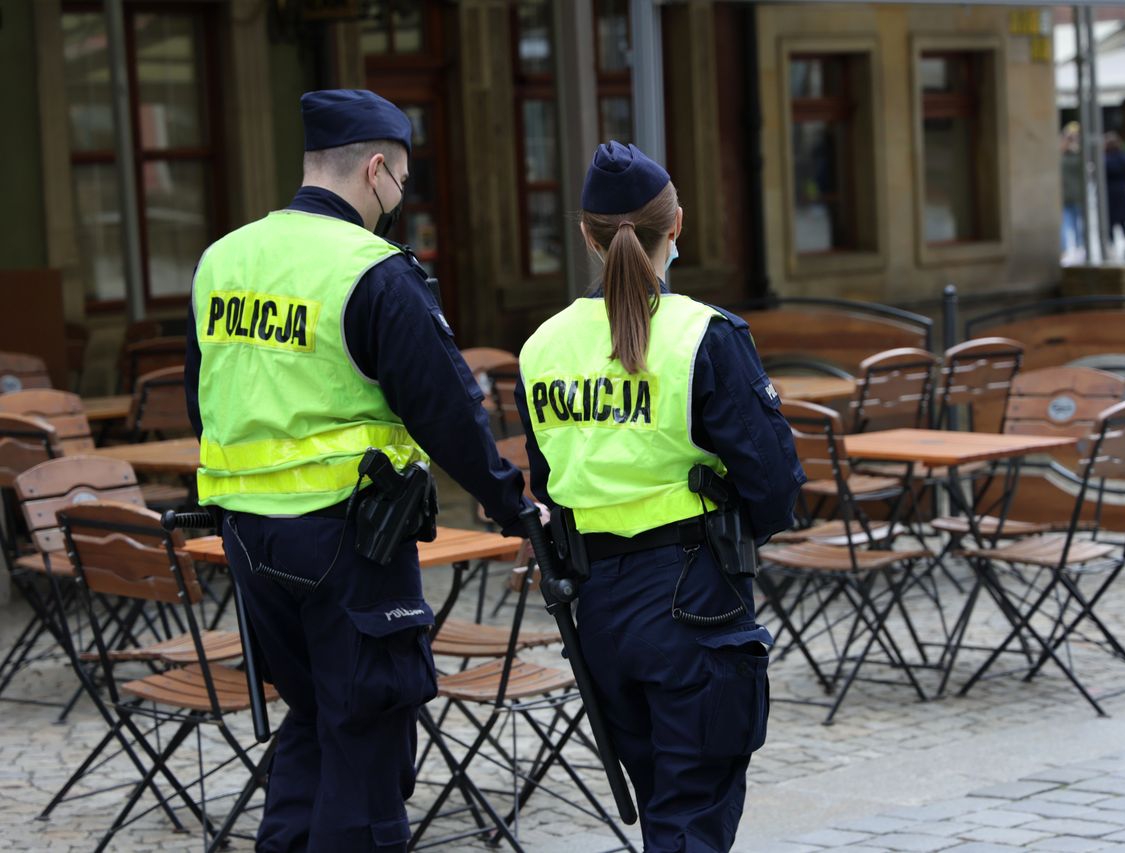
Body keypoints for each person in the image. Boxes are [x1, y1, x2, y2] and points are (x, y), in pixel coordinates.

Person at [184, 89, 530, 852]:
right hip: (352, 543)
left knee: (311, 722)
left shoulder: (223, 258)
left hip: (250, 542)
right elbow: (448, 414)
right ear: (376, 169)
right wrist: (517, 508)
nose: (397, 201)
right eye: (401, 184)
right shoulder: (371, 269)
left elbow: (199, 397)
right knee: (369, 736)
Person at [514, 142, 804, 852]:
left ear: (585, 235)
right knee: (691, 813)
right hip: (694, 597)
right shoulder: (704, 333)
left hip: (601, 607)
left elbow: (548, 482)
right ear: (676, 227)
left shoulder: (542, 346)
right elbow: (774, 485)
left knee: (665, 806)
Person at [1104, 133, 1125, 260]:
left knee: (1110, 221)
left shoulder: (1104, 159)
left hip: (1108, 193)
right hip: (1123, 191)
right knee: (1123, 220)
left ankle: (1112, 248)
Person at [1060, 122, 1085, 260]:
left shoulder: (1078, 154)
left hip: (1077, 196)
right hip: (1065, 196)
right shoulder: (1061, 155)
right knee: (1066, 225)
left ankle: (1079, 248)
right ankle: (1066, 250)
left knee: (1077, 225)